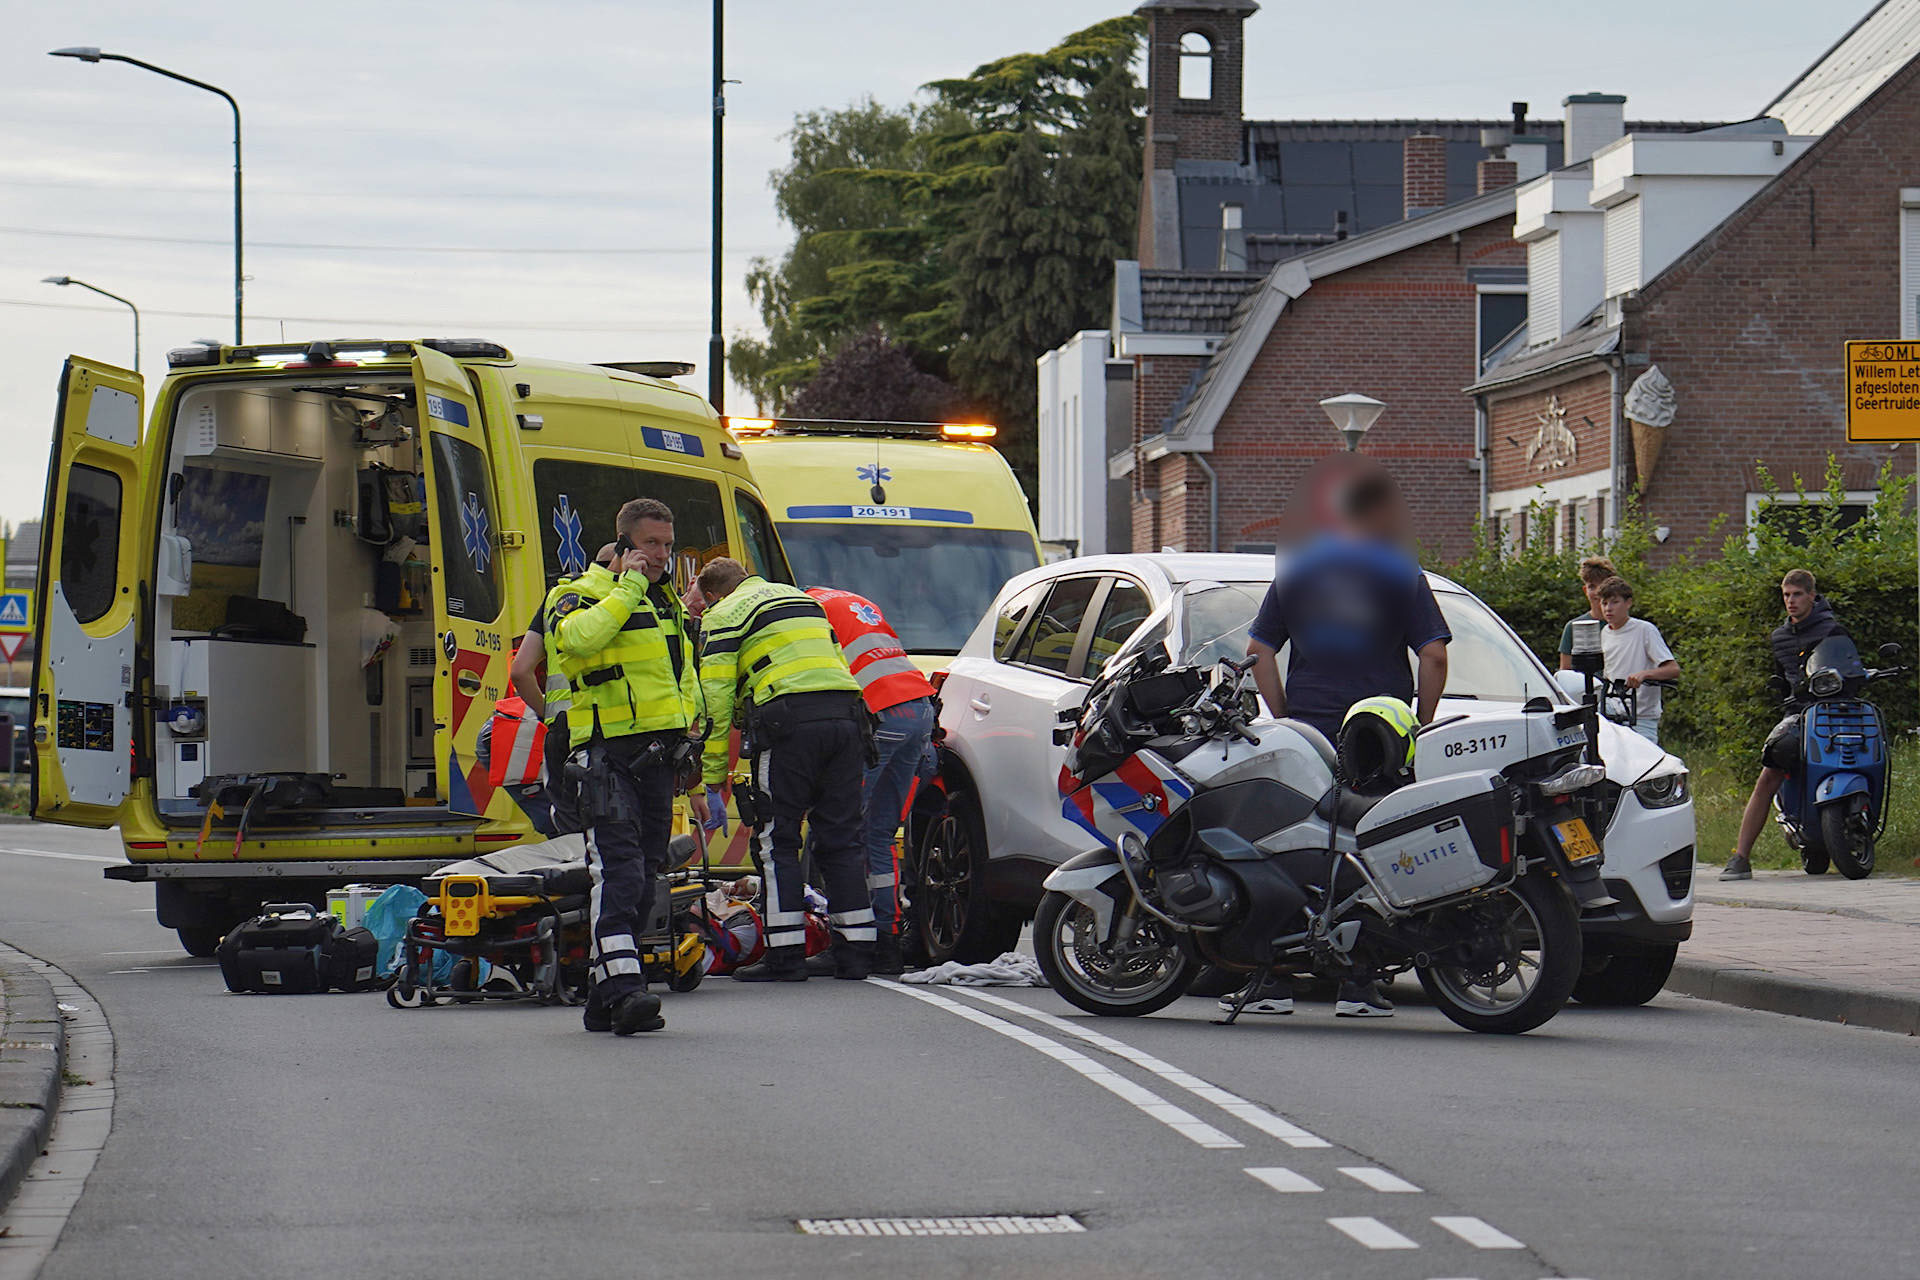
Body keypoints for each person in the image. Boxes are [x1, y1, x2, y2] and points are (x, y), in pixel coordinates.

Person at [1239, 465, 1450, 1019]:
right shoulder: (1400, 574)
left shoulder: (1298, 573)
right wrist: (1420, 724)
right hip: (1377, 738)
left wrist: (1284, 716)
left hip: (1309, 732)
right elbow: (1434, 654)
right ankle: (1358, 983)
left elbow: (1259, 651)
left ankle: (1275, 979)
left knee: (1294, 845)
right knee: (1369, 852)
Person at [545, 502, 703, 1035]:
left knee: (647, 879)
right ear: (624, 545)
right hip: (605, 755)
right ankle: (629, 988)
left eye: (666, 544)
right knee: (621, 873)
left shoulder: (667, 605)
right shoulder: (575, 595)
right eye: (651, 545)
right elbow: (578, 641)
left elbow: (682, 674)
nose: (662, 555)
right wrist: (629, 587)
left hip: (659, 759)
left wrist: (692, 739)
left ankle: (604, 996)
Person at [689, 558, 873, 982]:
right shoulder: (801, 599)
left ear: (714, 594)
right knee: (842, 839)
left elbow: (714, 695)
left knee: (777, 841)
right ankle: (857, 953)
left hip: (790, 724)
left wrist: (713, 773)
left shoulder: (725, 613)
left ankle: (785, 956)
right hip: (847, 719)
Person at [805, 585, 939, 977]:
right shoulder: (857, 601)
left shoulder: (803, 609)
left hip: (879, 713)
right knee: (878, 834)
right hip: (918, 710)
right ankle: (886, 939)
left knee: (835, 829)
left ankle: (844, 935)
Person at [1721, 569, 1848, 882]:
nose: (1791, 601)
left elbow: (1850, 672)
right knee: (1769, 772)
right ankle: (1740, 857)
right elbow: (1783, 682)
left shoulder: (1832, 629)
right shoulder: (1779, 637)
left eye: (1797, 594)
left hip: (1835, 712)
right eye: (1787, 595)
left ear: (1812, 596)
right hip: (1797, 715)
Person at [511, 543, 618, 833]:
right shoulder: (631, 599)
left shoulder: (557, 599)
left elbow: (520, 671)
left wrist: (547, 712)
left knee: (571, 827)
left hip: (564, 728)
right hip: (620, 729)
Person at [1595, 576, 1680, 744]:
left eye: (1614, 602)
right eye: (1604, 603)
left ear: (1628, 603)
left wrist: (1644, 675)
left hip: (1641, 716)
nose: (1608, 608)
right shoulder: (1605, 632)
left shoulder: (1644, 630)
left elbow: (1673, 669)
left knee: (1644, 766)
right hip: (1613, 714)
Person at [1557, 555, 1617, 670]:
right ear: (1585, 590)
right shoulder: (1573, 627)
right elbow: (1565, 671)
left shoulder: (1623, 625)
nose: (1598, 592)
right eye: (1592, 587)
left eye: (1603, 586)